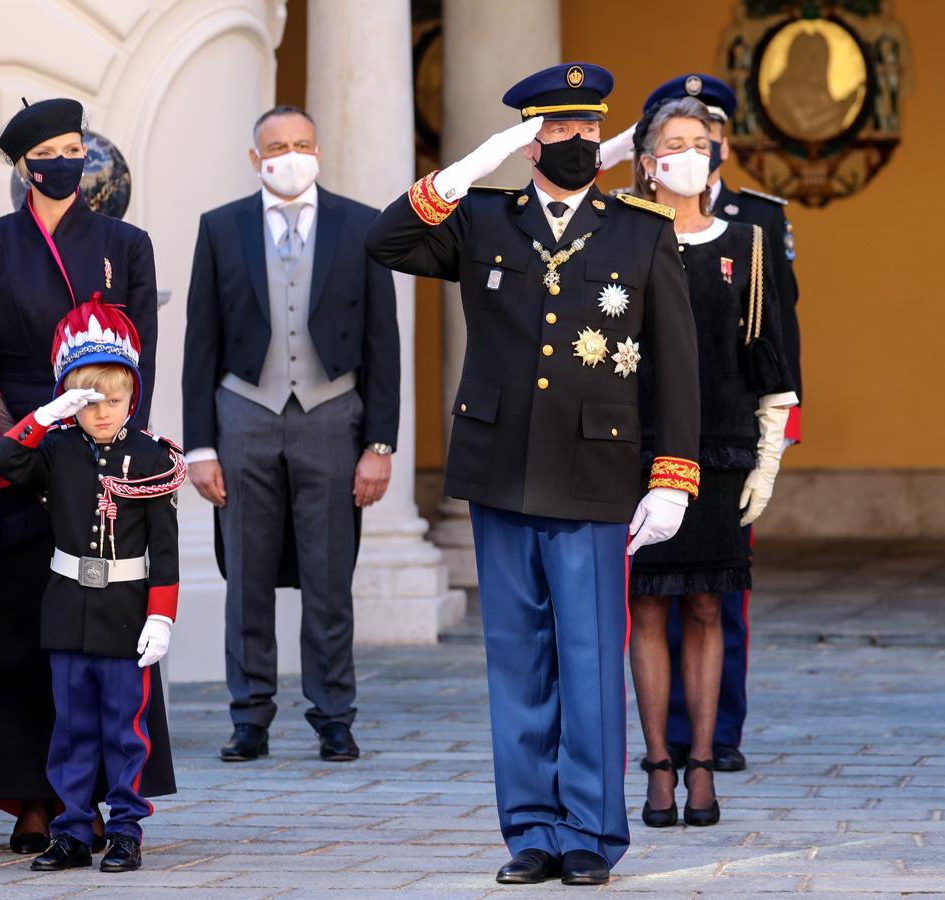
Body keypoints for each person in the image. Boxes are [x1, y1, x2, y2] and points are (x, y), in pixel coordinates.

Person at [365, 63, 701, 886]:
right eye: (558, 128)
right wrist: (463, 171)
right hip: (500, 468)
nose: (579, 141)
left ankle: (590, 831)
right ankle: (531, 833)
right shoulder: (482, 220)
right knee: (516, 662)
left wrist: (672, 476)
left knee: (588, 660)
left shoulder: (639, 228)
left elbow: (677, 366)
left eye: (590, 127)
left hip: (596, 471)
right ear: (528, 141)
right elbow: (386, 242)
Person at [0, 96, 160, 852]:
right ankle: (33, 797)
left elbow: (145, 362)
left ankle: (111, 798)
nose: (72, 158)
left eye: (80, 145)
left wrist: (116, 441)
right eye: (58, 148)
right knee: (20, 628)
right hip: (16, 453)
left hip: (98, 453)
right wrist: (5, 446)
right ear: (26, 164)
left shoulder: (125, 243)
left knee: (105, 637)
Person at [182, 105, 400, 763]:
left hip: (334, 414)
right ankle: (249, 716)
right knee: (245, 572)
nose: (290, 154)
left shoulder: (361, 225)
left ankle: (334, 714)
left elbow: (383, 344)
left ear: (319, 151)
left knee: (330, 572)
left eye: (302, 143)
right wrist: (199, 445)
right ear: (256, 158)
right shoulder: (221, 228)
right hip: (244, 412)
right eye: (276, 145)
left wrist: (381, 445)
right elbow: (201, 342)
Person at [625, 96, 797, 829]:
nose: (691, 152)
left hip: (721, 453)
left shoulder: (751, 242)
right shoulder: (621, 239)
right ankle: (658, 765)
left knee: (705, 606)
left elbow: (772, 361)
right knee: (647, 608)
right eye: (674, 141)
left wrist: (767, 461)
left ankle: (702, 765)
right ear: (647, 159)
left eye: (701, 140)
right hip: (637, 454)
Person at [0, 297, 184, 873]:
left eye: (116, 401)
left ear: (134, 395)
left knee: (126, 729)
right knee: (70, 728)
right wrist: (47, 416)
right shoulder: (54, 448)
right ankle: (72, 828)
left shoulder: (152, 456)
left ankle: (124, 829)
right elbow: (3, 461)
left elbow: (166, 549)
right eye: (90, 403)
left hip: (127, 612)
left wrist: (162, 616)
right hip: (68, 607)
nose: (103, 414)